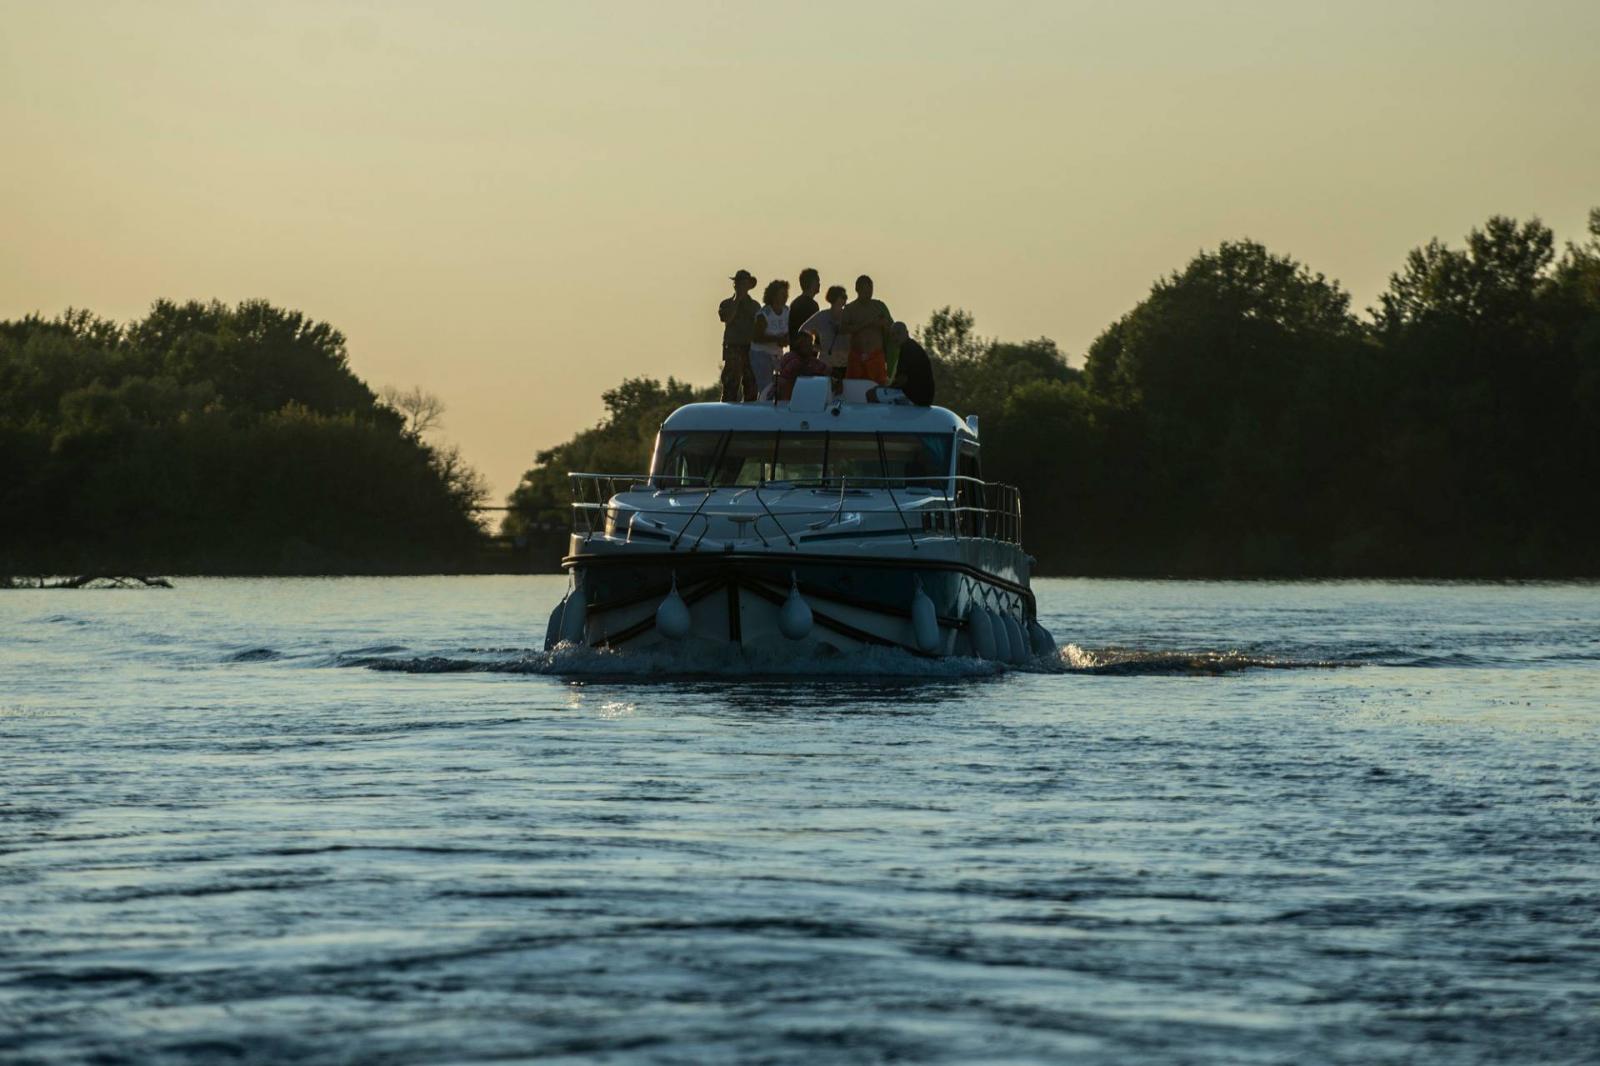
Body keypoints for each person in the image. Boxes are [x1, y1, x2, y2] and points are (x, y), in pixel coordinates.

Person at [840, 274, 894, 386]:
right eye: (865, 290)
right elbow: (842, 329)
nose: (869, 293)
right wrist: (867, 323)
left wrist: (884, 325)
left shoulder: (879, 306)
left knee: (878, 388)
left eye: (871, 289)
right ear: (857, 289)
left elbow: (891, 328)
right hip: (856, 357)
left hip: (876, 357)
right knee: (853, 388)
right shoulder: (850, 309)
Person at [718, 269, 760, 402]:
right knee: (730, 385)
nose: (739, 285)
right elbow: (727, 318)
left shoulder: (754, 306)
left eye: (743, 283)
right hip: (733, 348)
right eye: (738, 283)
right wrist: (737, 300)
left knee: (751, 385)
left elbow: (759, 327)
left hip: (749, 348)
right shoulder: (726, 304)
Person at [799, 284, 851, 386]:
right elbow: (803, 331)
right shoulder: (821, 316)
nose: (846, 299)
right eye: (843, 297)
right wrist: (815, 347)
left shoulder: (849, 316)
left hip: (846, 364)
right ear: (834, 298)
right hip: (826, 364)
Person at [750, 279, 791, 400]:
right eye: (782, 293)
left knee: (782, 382)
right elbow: (757, 337)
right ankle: (764, 408)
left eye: (786, 293)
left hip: (777, 354)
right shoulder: (764, 314)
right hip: (761, 354)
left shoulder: (787, 311)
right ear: (773, 295)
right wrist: (776, 339)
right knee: (766, 386)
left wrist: (787, 339)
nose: (785, 296)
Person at [774, 331, 829, 401]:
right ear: (798, 345)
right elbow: (801, 372)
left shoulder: (810, 360)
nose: (811, 347)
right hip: (786, 400)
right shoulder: (790, 358)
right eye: (807, 345)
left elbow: (826, 369)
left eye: (811, 344)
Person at [890, 321, 935, 406]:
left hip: (916, 397)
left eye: (898, 333)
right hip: (925, 397)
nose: (895, 337)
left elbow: (902, 379)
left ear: (906, 333)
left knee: (873, 394)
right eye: (892, 335)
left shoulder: (907, 349)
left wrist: (887, 387)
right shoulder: (911, 346)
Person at [788, 268, 820, 346]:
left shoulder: (796, 303)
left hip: (798, 348)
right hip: (804, 350)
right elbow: (814, 328)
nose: (819, 284)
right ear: (811, 283)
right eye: (817, 281)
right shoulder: (811, 305)